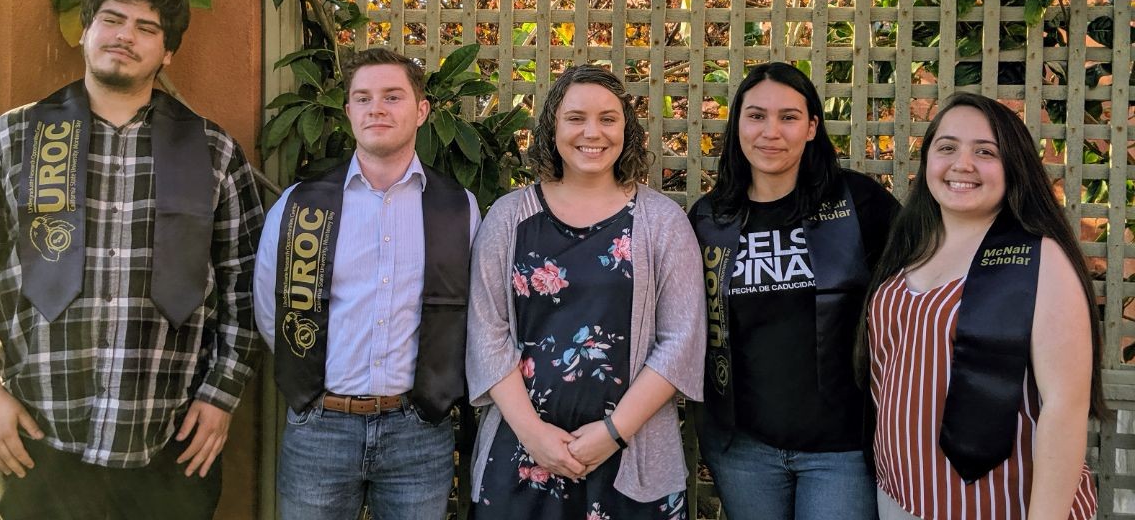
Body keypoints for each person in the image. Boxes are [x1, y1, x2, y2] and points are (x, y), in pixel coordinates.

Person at [0, 0, 263, 519]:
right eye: (111, 20)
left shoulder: (213, 152)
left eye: (146, 27)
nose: (124, 36)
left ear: (167, 54)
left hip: (171, 443)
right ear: (85, 31)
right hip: (39, 438)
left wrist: (219, 397)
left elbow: (244, 284)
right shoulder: (10, 141)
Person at [466, 64, 705, 519]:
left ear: (626, 130)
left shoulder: (662, 222)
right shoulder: (508, 217)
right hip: (521, 454)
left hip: (630, 456)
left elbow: (680, 341)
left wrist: (612, 432)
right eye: (575, 118)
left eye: (608, 119)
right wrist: (535, 436)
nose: (591, 132)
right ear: (552, 127)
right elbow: (486, 333)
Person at [253, 47, 481, 520]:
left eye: (393, 96)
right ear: (348, 111)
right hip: (320, 428)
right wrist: (312, 393)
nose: (376, 108)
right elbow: (271, 309)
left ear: (422, 110)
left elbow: (476, 312)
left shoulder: (457, 207)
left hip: (417, 431)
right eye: (363, 98)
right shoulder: (302, 206)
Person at [866, 92, 1102, 519]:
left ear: (1014, 168)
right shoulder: (910, 248)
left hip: (1000, 504)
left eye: (985, 152)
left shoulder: (1040, 258)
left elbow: (1064, 406)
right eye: (948, 147)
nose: (963, 164)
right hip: (904, 494)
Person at [688, 61, 898, 519]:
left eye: (788, 117)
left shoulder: (859, 203)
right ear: (738, 124)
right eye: (756, 115)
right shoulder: (710, 219)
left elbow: (918, 286)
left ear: (811, 127)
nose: (771, 132)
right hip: (744, 449)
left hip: (840, 451)